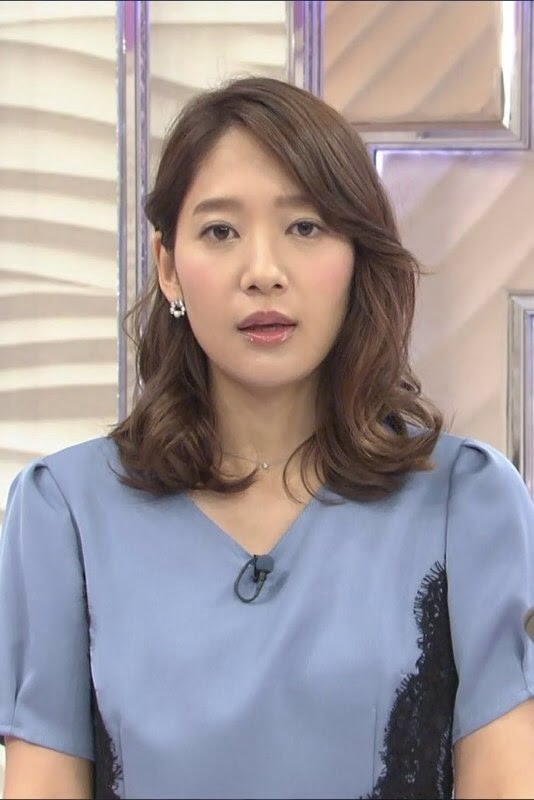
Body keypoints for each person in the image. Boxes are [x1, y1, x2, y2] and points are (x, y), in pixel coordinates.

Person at [1, 75, 533, 800]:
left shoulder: (466, 502)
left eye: (305, 227)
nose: (263, 272)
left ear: (357, 254)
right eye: (220, 231)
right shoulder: (64, 511)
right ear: (168, 267)